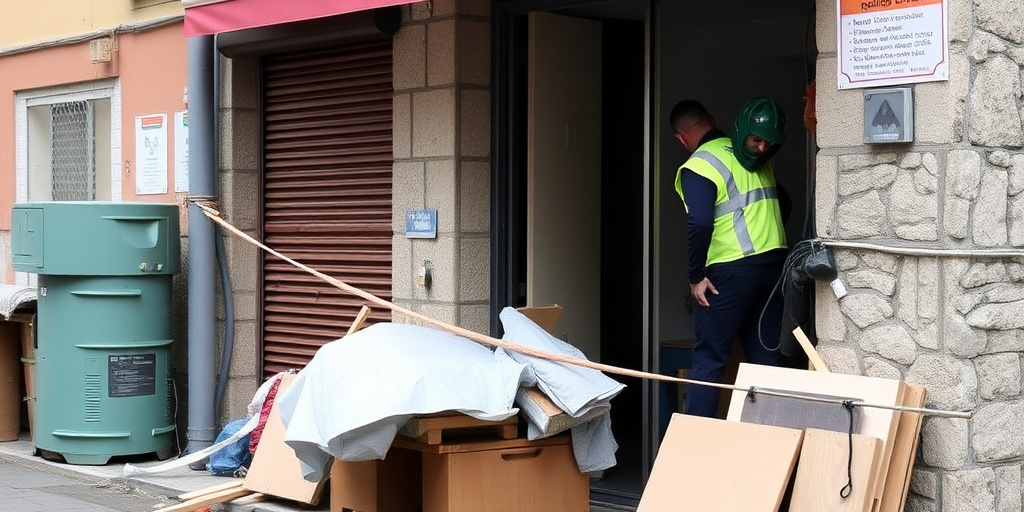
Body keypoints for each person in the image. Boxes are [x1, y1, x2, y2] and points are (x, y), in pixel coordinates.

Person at [669, 97, 791, 418]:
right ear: (712, 119)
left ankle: (698, 442)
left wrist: (695, 276)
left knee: (709, 362)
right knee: (766, 362)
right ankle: (773, 441)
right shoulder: (751, 152)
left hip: (729, 276)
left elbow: (700, 221)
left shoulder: (701, 163)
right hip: (773, 269)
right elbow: (785, 203)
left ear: (681, 138)